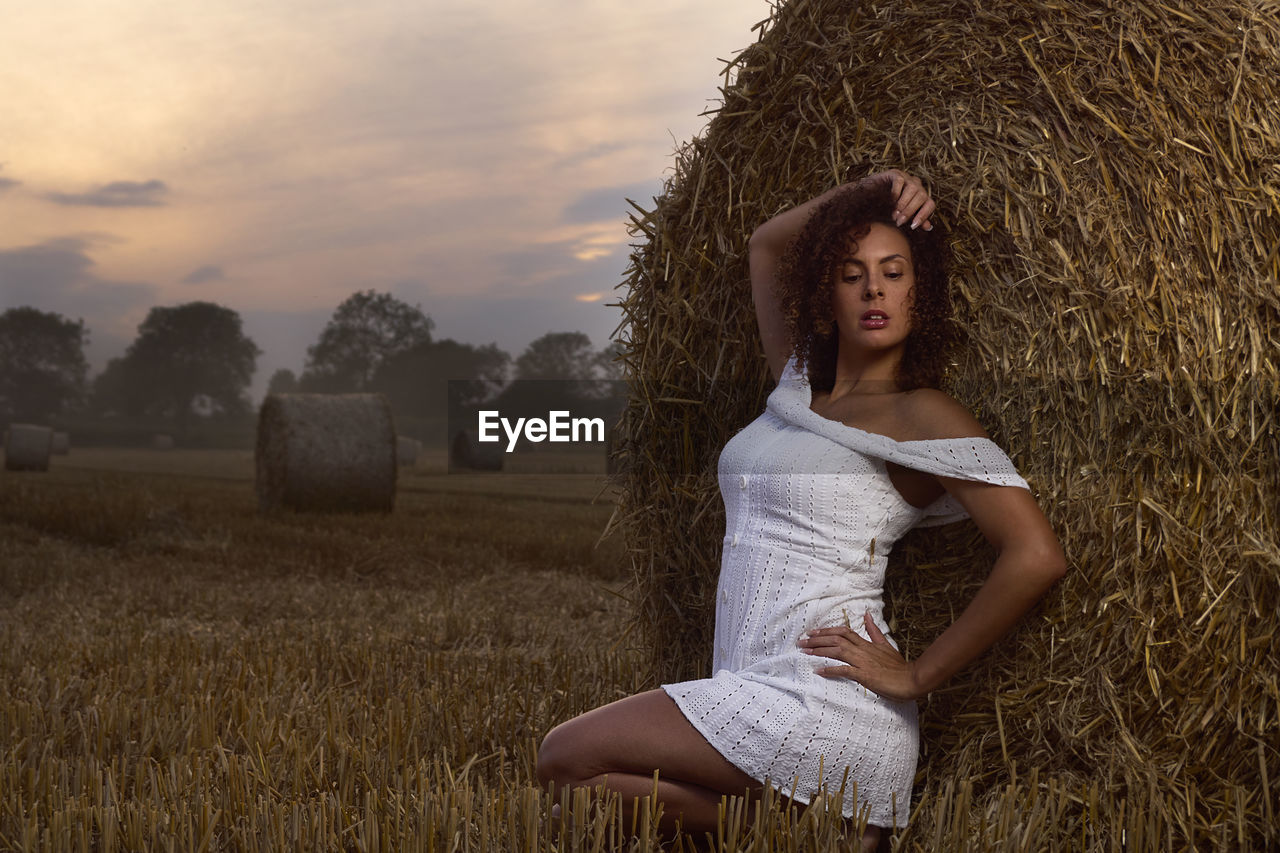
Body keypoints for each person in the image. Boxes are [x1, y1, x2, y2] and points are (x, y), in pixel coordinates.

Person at [536, 169, 1067, 851]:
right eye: (851, 273)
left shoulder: (921, 414)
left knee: (564, 759)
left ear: (919, 290)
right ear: (827, 290)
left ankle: (827, 826)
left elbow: (1036, 554)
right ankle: (820, 835)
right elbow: (766, 245)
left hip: (827, 695)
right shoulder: (796, 384)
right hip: (749, 682)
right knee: (574, 802)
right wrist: (877, 189)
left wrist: (918, 673)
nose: (874, 288)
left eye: (893, 271)